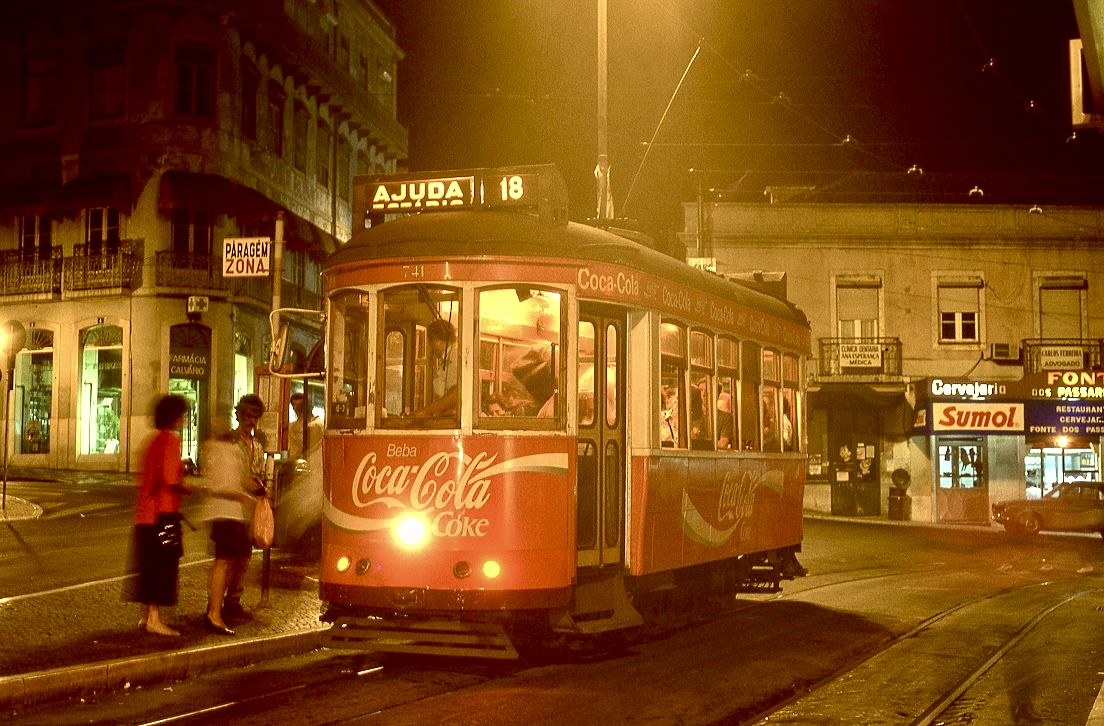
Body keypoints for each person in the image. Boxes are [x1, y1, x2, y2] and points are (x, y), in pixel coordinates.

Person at [201, 394, 266, 635]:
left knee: (242, 559)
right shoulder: (230, 443)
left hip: (245, 510)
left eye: (255, 417)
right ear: (238, 416)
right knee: (225, 561)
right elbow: (230, 479)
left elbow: (254, 473)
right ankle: (214, 607)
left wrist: (260, 490)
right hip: (231, 508)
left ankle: (232, 602)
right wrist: (248, 491)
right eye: (247, 415)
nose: (251, 420)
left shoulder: (256, 445)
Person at [126, 394, 191, 637]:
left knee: (148, 565)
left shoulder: (152, 441)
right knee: (161, 566)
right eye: (182, 415)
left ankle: (147, 616)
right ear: (174, 416)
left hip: (145, 514)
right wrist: (188, 486)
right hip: (163, 513)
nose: (183, 419)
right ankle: (154, 619)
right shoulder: (171, 441)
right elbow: (170, 479)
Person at [282, 392, 324, 551]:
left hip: (316, 466)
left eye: (299, 405)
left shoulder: (318, 424)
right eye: (294, 406)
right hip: (302, 467)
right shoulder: (294, 427)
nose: (297, 409)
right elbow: (295, 450)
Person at [414, 319, 458, 417]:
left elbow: (457, 393)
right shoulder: (446, 359)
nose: (431, 346)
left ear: (438, 340)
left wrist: (426, 411)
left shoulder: (456, 356)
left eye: (431, 341)